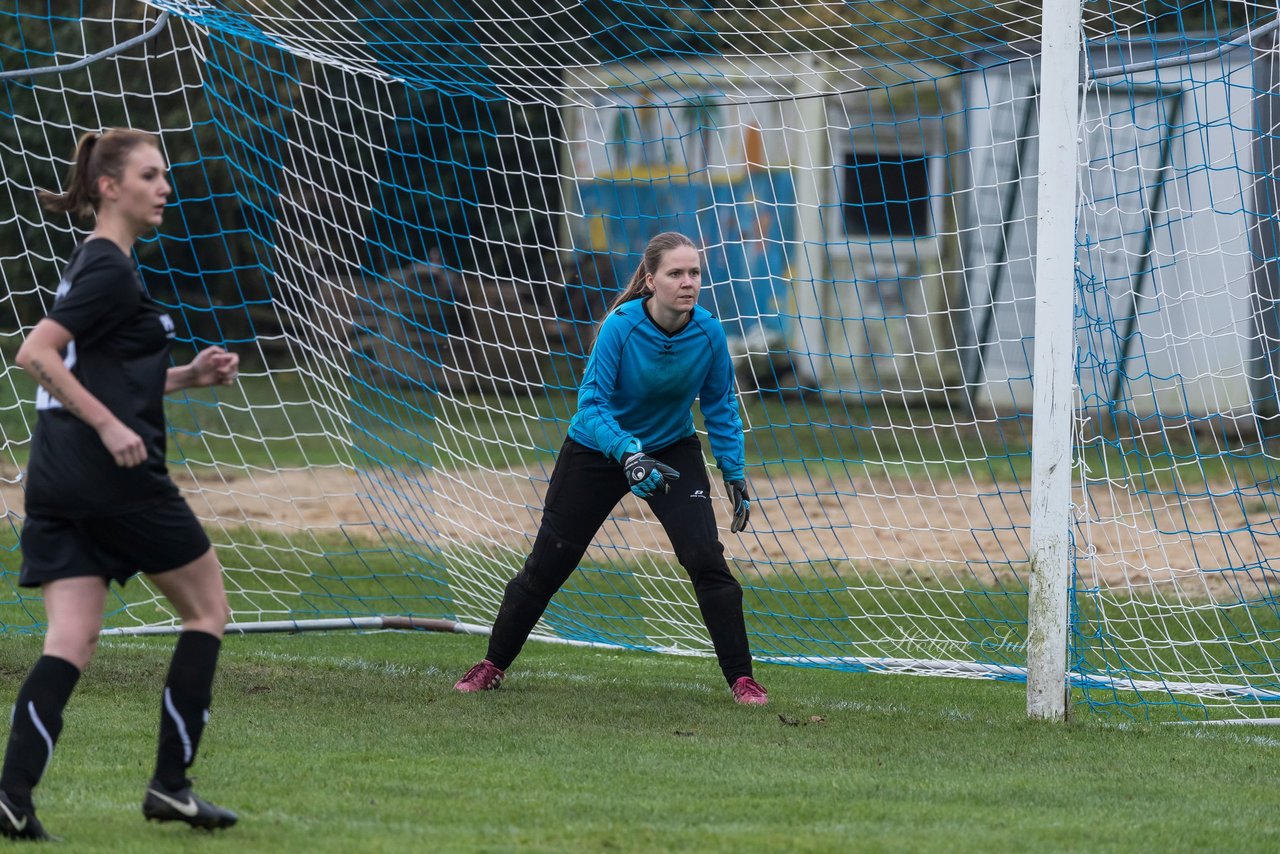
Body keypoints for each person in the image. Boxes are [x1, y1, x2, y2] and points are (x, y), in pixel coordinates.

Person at [0, 129, 240, 841]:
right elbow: (35, 353)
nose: (164, 186)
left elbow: (96, 373)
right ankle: (171, 786)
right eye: (149, 174)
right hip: (111, 478)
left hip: (55, 480)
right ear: (110, 187)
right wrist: (109, 427)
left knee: (70, 638)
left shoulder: (94, 265)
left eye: (164, 174)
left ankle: (11, 797)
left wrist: (186, 377)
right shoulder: (107, 267)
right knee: (207, 611)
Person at [454, 231, 768, 706]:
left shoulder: (708, 332)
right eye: (676, 273)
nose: (688, 282)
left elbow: (721, 405)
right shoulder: (620, 326)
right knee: (547, 565)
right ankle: (491, 665)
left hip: (670, 451)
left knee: (706, 558)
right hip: (598, 449)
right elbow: (591, 406)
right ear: (650, 279)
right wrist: (628, 453)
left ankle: (743, 681)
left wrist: (734, 472)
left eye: (694, 273)